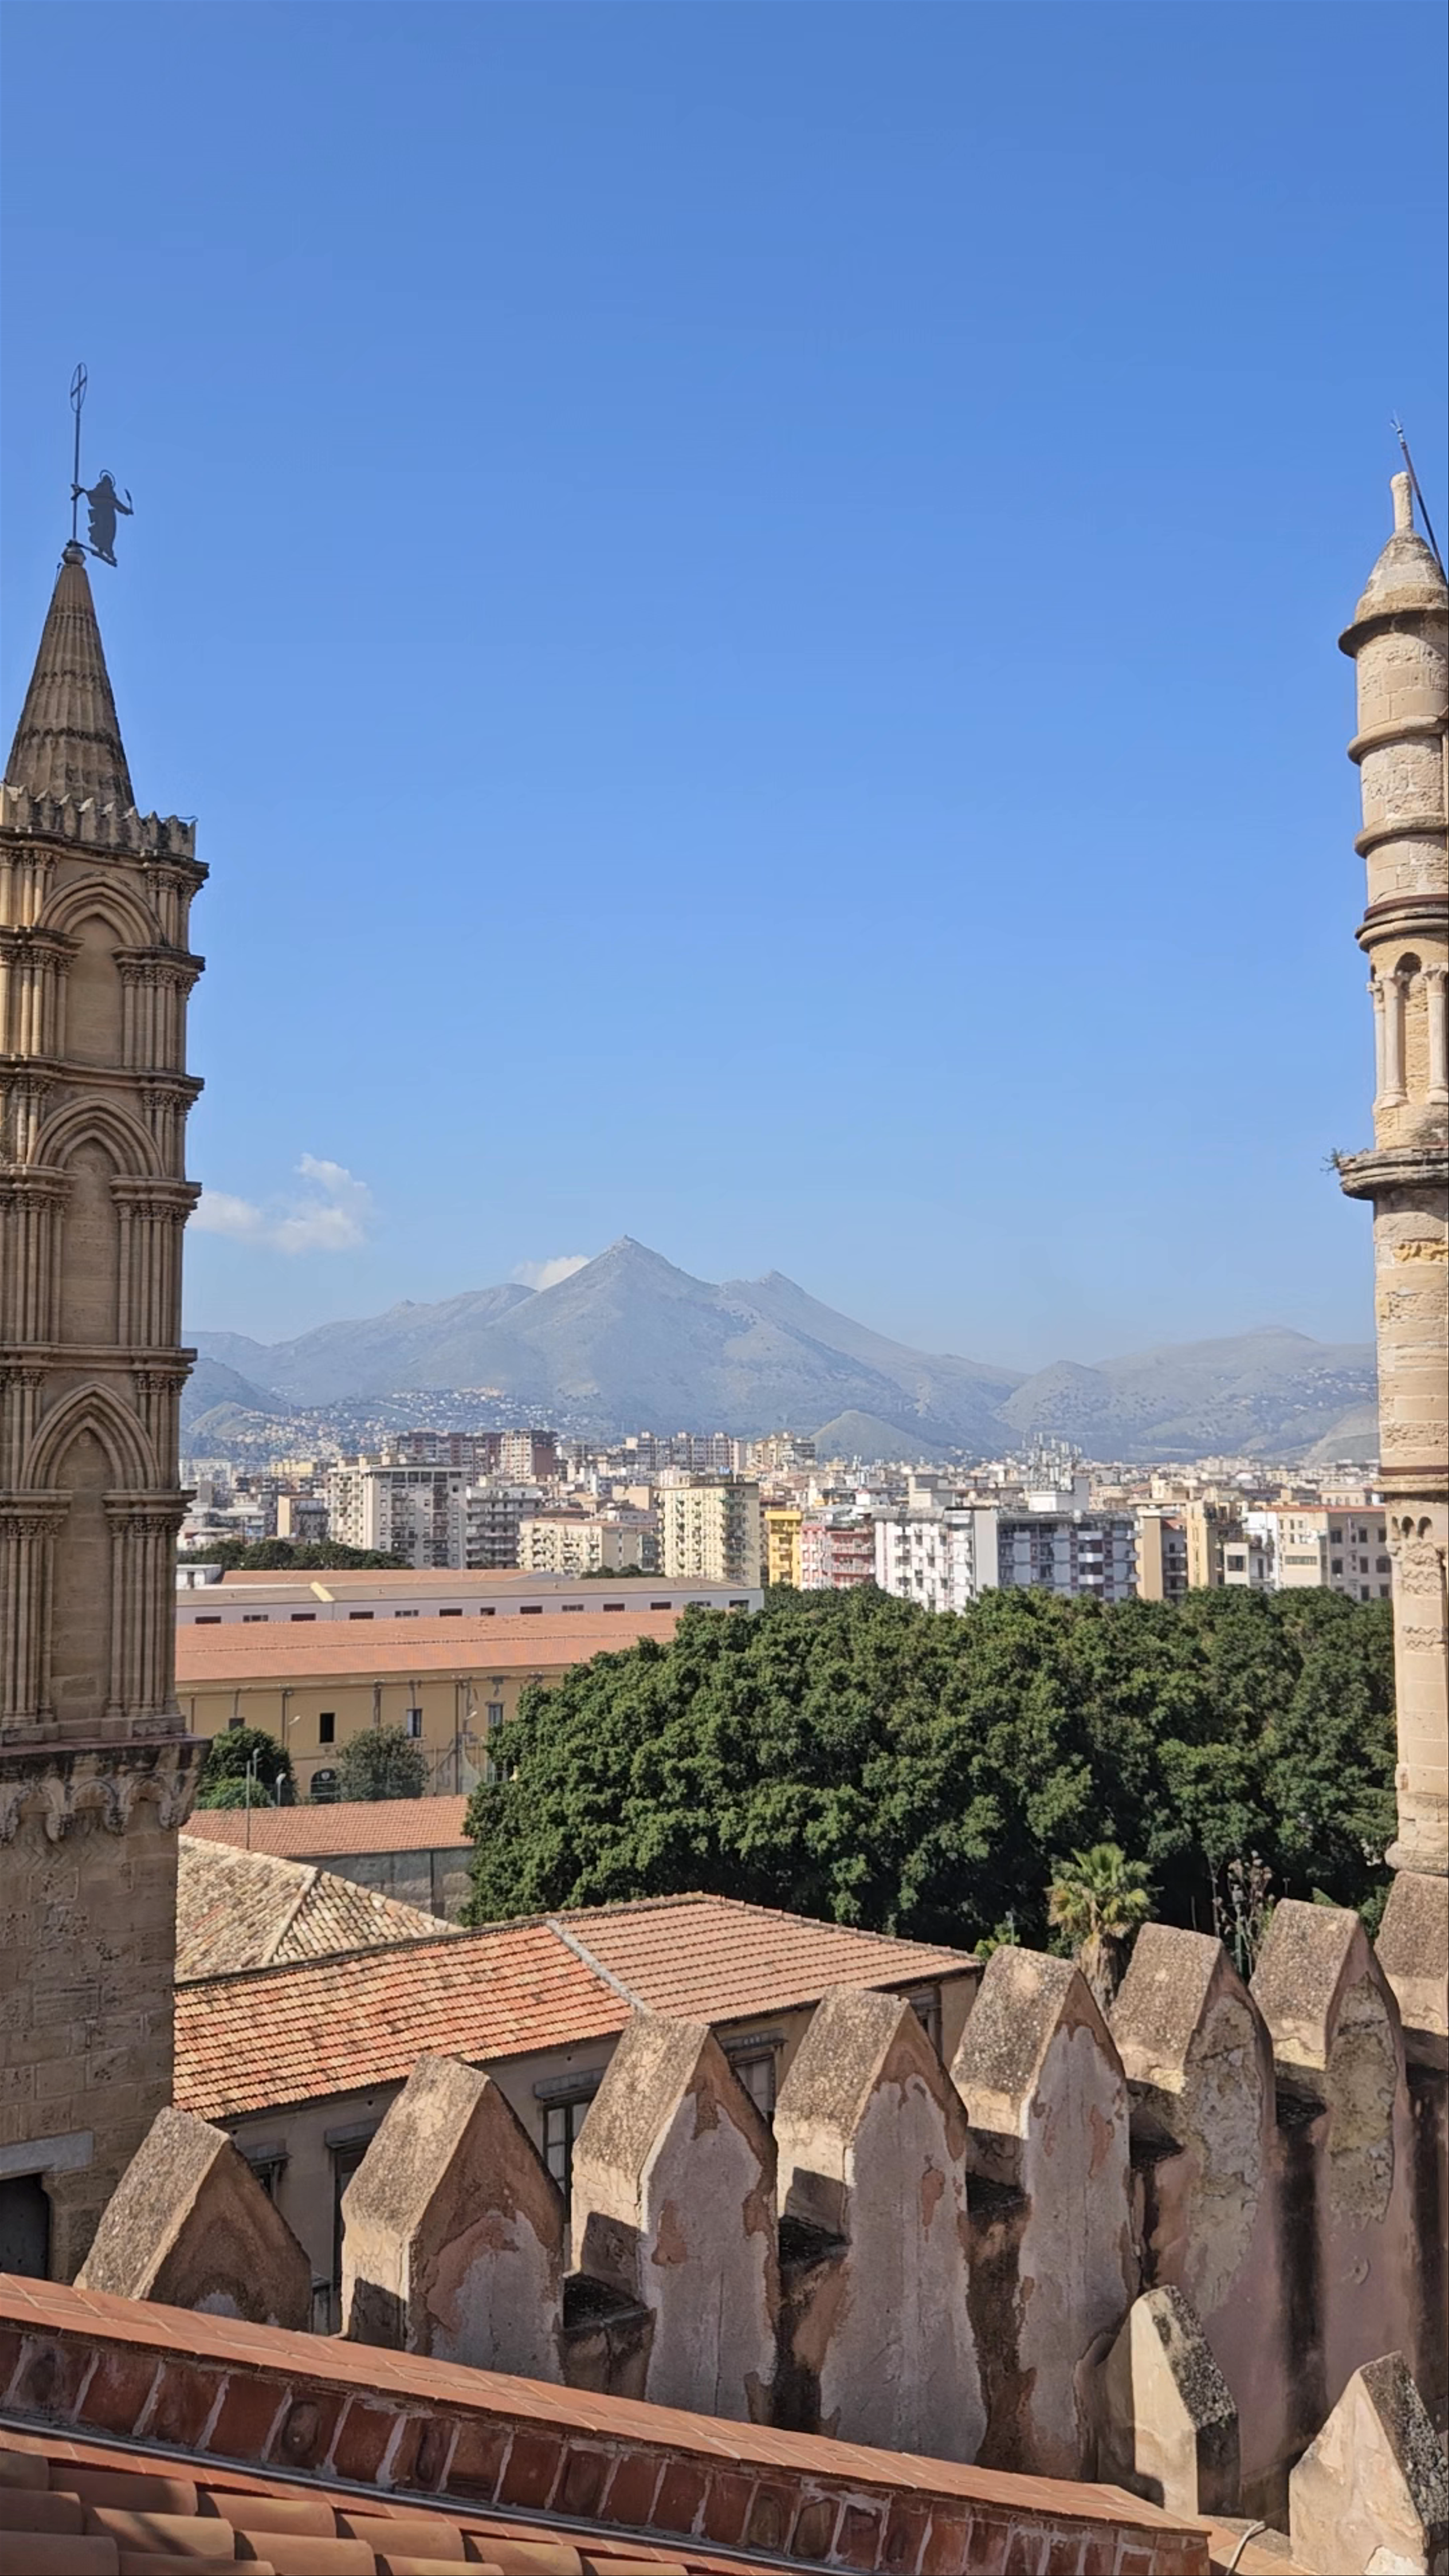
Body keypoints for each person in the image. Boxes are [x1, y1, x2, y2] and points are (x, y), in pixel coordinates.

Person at [73, 471, 133, 565]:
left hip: (110, 516)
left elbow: (116, 503)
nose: (107, 483)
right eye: (106, 481)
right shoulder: (101, 489)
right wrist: (126, 510)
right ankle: (103, 549)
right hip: (102, 515)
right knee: (102, 531)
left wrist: (126, 511)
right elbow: (96, 496)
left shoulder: (111, 493)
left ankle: (107, 551)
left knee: (110, 534)